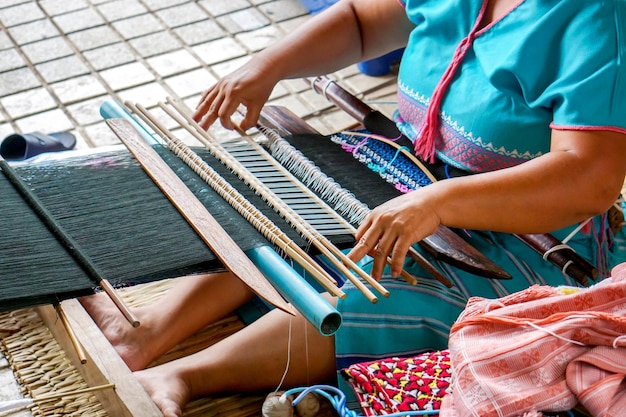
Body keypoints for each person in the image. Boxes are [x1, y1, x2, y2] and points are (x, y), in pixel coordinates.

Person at [82, 0, 626, 416]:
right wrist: (268, 67)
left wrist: (438, 203)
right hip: (401, 169)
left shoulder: (597, 20)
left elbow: (589, 176)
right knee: (283, 212)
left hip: (521, 234)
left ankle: (188, 376)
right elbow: (365, 23)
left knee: (373, 279)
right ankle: (143, 333)